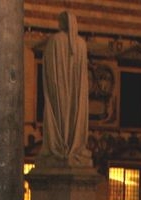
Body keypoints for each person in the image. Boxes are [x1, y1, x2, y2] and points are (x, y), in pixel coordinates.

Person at [41, 10, 90, 167]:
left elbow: (48, 69)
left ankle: (60, 145)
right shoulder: (81, 44)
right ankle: (73, 145)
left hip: (58, 91)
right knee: (73, 114)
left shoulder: (54, 40)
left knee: (59, 115)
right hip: (75, 94)